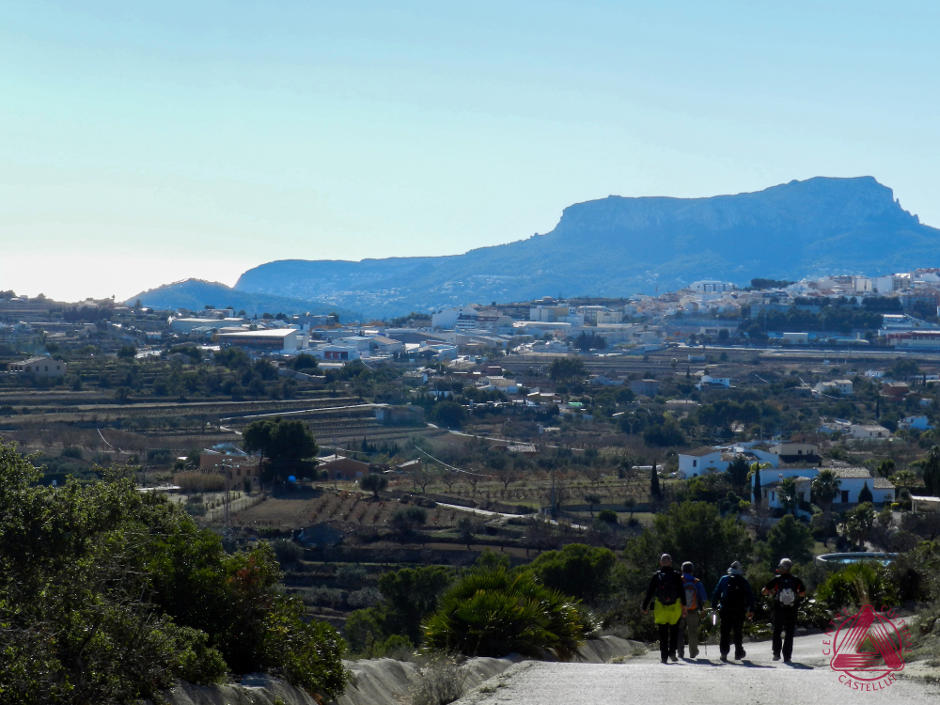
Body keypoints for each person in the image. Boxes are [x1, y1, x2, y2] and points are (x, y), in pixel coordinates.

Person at [642, 553, 687, 663]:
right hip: (674, 608)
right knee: (674, 632)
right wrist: (684, 606)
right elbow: (682, 592)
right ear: (671, 562)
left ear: (661, 562)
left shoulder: (656, 576)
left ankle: (664, 656)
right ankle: (672, 652)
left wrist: (644, 606)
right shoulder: (677, 575)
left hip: (660, 607)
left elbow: (650, 592)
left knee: (663, 633)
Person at [761, 557, 807, 663]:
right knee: (789, 633)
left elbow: (764, 591)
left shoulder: (777, 579)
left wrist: (772, 593)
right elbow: (803, 593)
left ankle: (776, 653)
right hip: (791, 609)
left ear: (783, 567)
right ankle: (787, 656)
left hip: (779, 609)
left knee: (777, 631)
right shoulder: (796, 580)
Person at [711, 560, 755, 662]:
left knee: (725, 632)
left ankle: (724, 653)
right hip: (739, 610)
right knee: (737, 632)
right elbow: (750, 596)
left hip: (725, 609)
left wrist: (713, 606)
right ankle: (738, 653)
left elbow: (716, 593)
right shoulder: (743, 581)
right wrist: (751, 609)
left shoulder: (724, 579)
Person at [677, 561, 708, 659]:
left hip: (680, 610)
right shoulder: (696, 582)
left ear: (682, 570)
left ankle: (680, 652)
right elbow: (704, 598)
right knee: (692, 632)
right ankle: (693, 652)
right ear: (692, 570)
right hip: (693, 610)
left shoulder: (678, 580)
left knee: (679, 631)